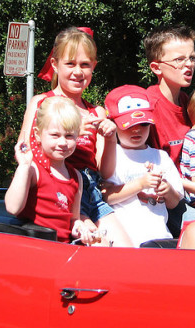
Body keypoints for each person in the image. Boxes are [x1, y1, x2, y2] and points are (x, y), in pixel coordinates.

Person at [18, 26, 130, 247]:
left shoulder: (96, 112)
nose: (77, 71)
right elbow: (25, 150)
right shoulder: (42, 102)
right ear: (55, 65)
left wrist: (110, 137)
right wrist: (73, 132)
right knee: (99, 246)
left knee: (126, 250)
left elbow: (105, 171)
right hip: (57, 190)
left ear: (93, 67)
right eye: (70, 64)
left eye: (85, 65)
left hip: (90, 192)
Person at [102, 85, 184, 247]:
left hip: (159, 237)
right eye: (129, 125)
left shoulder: (160, 156)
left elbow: (174, 202)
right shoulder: (112, 154)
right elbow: (106, 196)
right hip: (123, 241)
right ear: (114, 124)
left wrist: (167, 190)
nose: (137, 131)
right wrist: (141, 184)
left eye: (143, 124)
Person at [5, 97, 94, 243]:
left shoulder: (76, 177)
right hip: (35, 247)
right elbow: (12, 208)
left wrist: (80, 228)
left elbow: (73, 219)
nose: (63, 142)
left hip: (63, 249)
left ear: (78, 135)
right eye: (55, 135)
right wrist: (23, 166)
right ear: (37, 134)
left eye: (69, 135)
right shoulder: (33, 169)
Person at [143, 24, 195, 236]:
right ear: (156, 68)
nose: (189, 65)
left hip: (194, 196)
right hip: (165, 203)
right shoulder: (148, 107)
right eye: (179, 60)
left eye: (192, 58)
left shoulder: (189, 103)